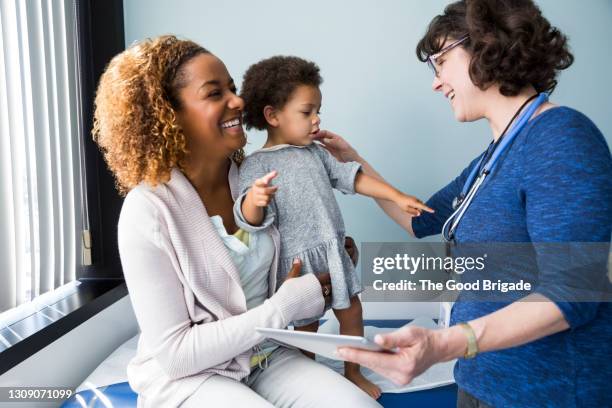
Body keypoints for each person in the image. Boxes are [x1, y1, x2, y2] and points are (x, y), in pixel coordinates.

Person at [317, 1, 612, 407]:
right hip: (478, 380)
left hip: (544, 391)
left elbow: (573, 291)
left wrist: (448, 342)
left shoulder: (560, 138)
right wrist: (353, 162)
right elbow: (417, 220)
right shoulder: (490, 160)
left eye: (440, 62)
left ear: (485, 45)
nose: (436, 82)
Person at [92, 35, 382, 408]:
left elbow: (290, 261)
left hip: (266, 355)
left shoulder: (252, 178)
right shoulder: (147, 209)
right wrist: (284, 307)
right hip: (190, 376)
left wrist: (331, 261)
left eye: (232, 87)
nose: (238, 101)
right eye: (215, 93)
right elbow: (177, 354)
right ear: (168, 114)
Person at [234, 55, 434, 399]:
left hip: (332, 251)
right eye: (307, 111)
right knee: (305, 329)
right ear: (273, 116)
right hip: (297, 266)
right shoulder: (256, 166)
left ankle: (353, 372)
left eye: (318, 111)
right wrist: (255, 199)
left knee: (352, 311)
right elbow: (247, 220)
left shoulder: (316, 153)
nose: (317, 119)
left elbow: (353, 178)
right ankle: (306, 379)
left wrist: (397, 195)